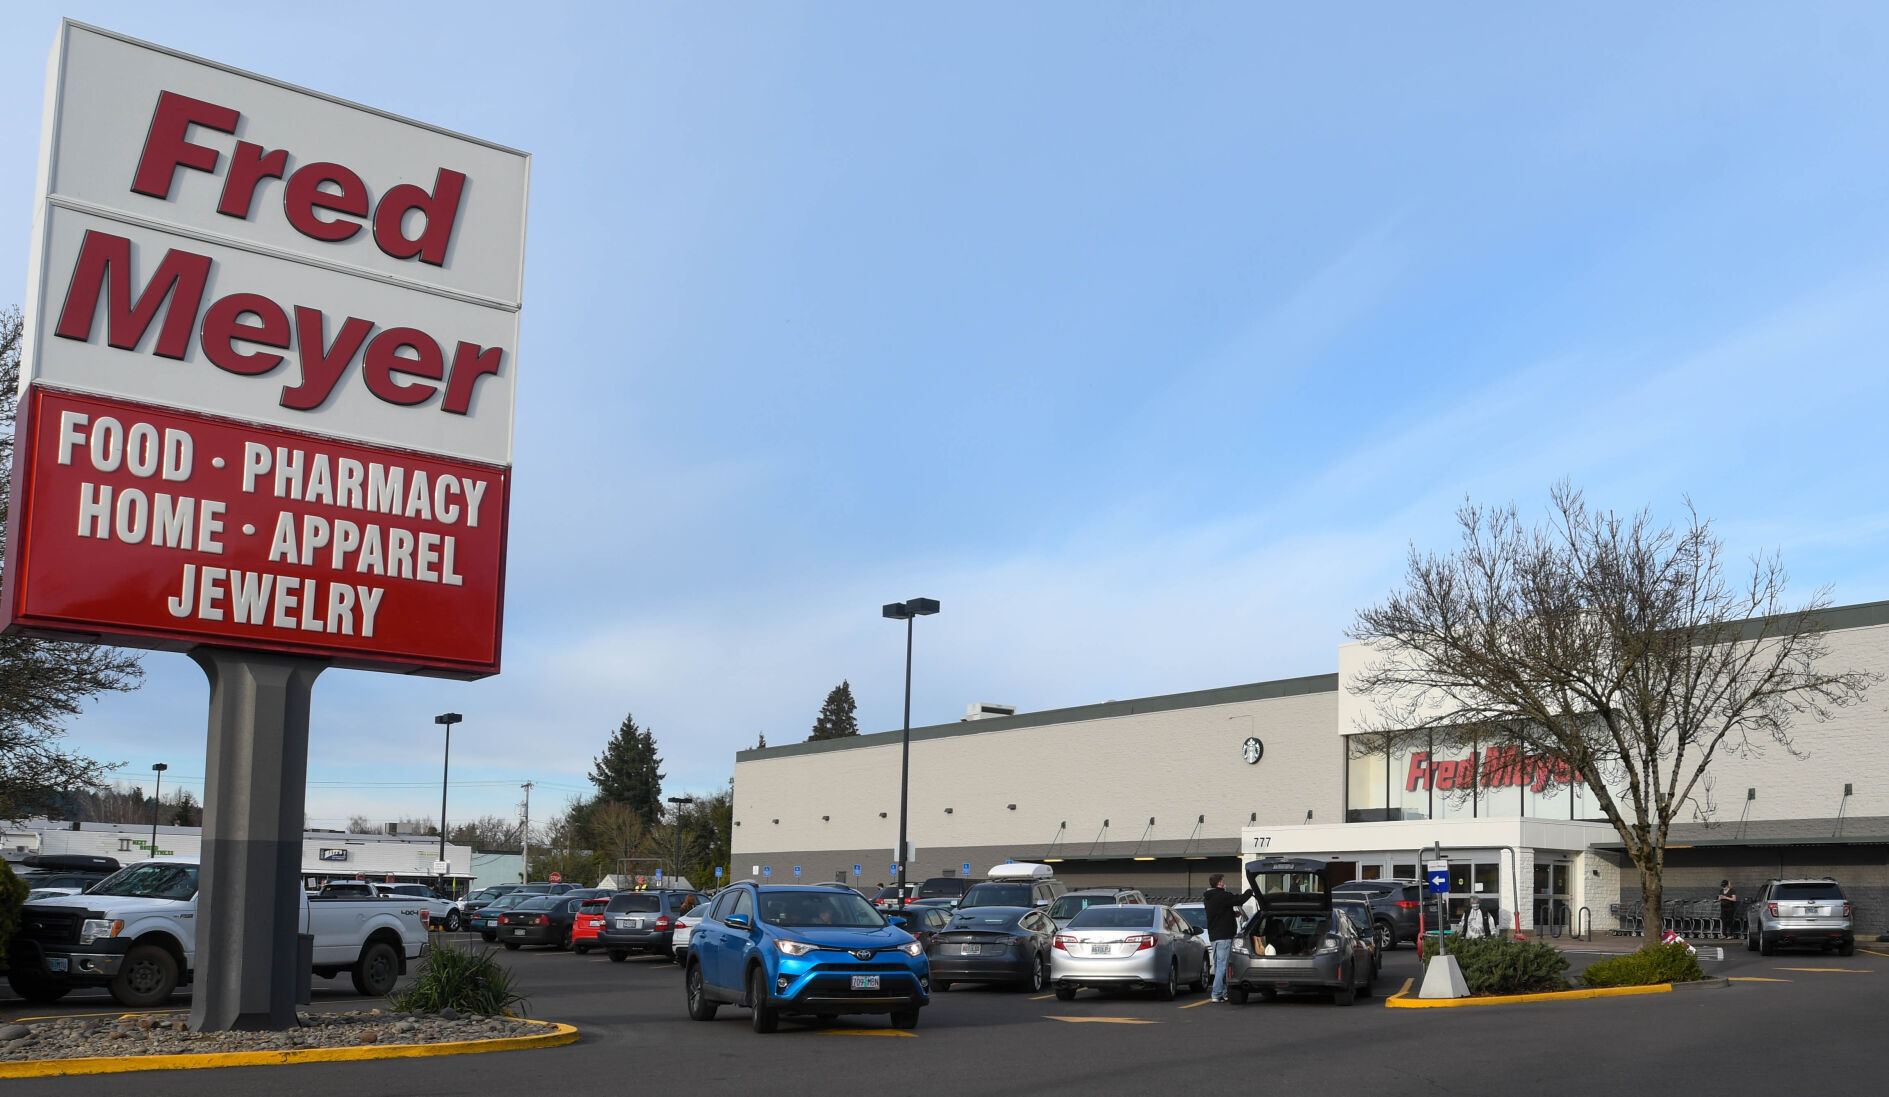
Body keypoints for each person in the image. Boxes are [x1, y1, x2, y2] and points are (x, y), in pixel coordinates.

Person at [1202, 873, 1255, 1002]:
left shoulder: (1208, 897)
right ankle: (1216, 994)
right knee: (1223, 966)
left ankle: (1224, 992)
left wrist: (1231, 914)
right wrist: (1250, 891)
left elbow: (1219, 912)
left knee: (1219, 965)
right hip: (1224, 936)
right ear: (1219, 883)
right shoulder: (1222, 895)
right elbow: (1239, 900)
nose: (1224, 882)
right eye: (1223, 880)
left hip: (1214, 936)